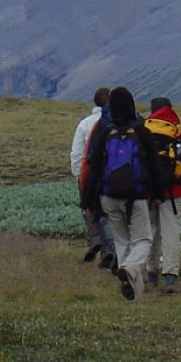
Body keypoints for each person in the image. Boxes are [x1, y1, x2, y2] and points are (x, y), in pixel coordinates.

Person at [80, 86, 164, 303]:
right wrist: (157, 194)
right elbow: (154, 166)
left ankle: (133, 297)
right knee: (143, 239)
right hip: (136, 195)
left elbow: (93, 167)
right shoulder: (142, 131)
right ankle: (131, 268)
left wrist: (87, 200)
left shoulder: (104, 133)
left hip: (108, 196)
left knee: (122, 241)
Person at [146, 96, 181, 296]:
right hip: (175, 193)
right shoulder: (177, 133)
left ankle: (151, 275)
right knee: (171, 234)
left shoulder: (146, 131)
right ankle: (170, 277)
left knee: (150, 233)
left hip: (149, 192)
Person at [71, 87, 117, 269]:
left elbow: (77, 153)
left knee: (90, 210)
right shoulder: (119, 121)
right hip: (113, 175)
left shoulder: (85, 124)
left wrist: (78, 176)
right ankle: (110, 250)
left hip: (89, 173)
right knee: (110, 213)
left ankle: (96, 241)